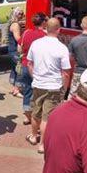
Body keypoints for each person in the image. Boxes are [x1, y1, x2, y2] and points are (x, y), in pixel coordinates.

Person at [27, 18, 71, 154]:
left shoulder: (36, 44)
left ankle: (33, 136)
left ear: (46, 28)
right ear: (59, 30)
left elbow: (29, 63)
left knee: (36, 112)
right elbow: (66, 72)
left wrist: (35, 77)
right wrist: (64, 89)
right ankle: (42, 145)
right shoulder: (62, 48)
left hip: (38, 84)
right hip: (53, 86)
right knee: (47, 117)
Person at [19, 13, 47, 127]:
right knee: (39, 95)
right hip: (38, 68)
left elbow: (19, 48)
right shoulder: (45, 36)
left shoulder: (26, 33)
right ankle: (37, 119)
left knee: (27, 91)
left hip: (25, 65)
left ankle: (27, 117)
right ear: (44, 22)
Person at [8, 7, 24, 98]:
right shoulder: (16, 25)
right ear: (16, 14)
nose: (22, 15)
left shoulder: (12, 24)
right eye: (20, 13)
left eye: (22, 13)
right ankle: (17, 90)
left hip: (11, 50)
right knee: (19, 69)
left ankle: (13, 87)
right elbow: (18, 38)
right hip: (14, 51)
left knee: (14, 68)